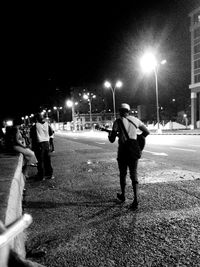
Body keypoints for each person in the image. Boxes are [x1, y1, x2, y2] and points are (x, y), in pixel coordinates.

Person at [108, 103, 150, 210]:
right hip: (133, 150)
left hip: (123, 151)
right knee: (133, 174)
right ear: (129, 111)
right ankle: (136, 199)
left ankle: (123, 195)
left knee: (123, 174)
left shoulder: (117, 122)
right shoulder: (135, 120)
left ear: (120, 111)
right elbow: (146, 131)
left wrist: (110, 135)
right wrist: (139, 138)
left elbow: (112, 140)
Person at [30, 113, 54, 181]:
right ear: (42, 118)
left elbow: (33, 137)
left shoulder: (34, 127)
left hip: (38, 145)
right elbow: (51, 133)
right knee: (47, 160)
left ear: (36, 119)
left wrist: (32, 147)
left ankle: (41, 176)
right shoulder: (47, 125)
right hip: (46, 144)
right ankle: (49, 174)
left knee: (40, 161)